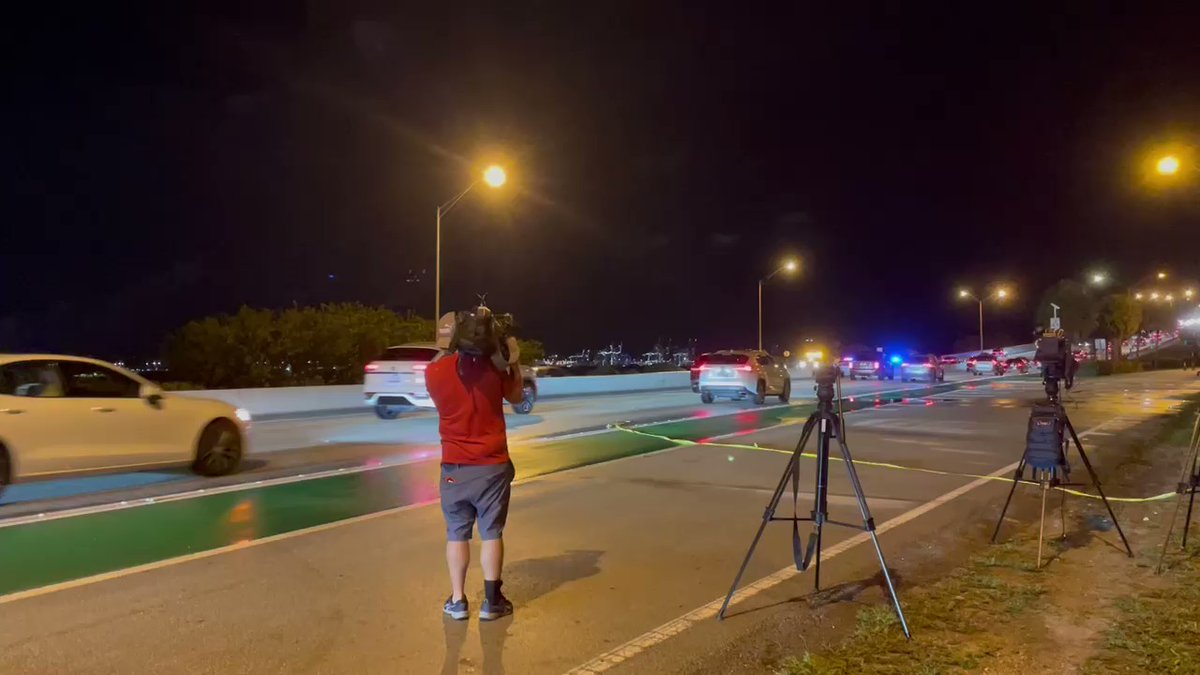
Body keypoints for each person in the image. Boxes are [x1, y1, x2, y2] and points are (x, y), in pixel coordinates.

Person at [426, 307, 525, 621]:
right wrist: (512, 358)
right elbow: (519, 397)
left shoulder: (435, 374)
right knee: (491, 532)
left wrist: (448, 343)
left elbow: (439, 358)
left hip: (454, 467)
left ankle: (457, 601)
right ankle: (492, 602)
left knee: (457, 533)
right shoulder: (496, 371)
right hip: (492, 466)